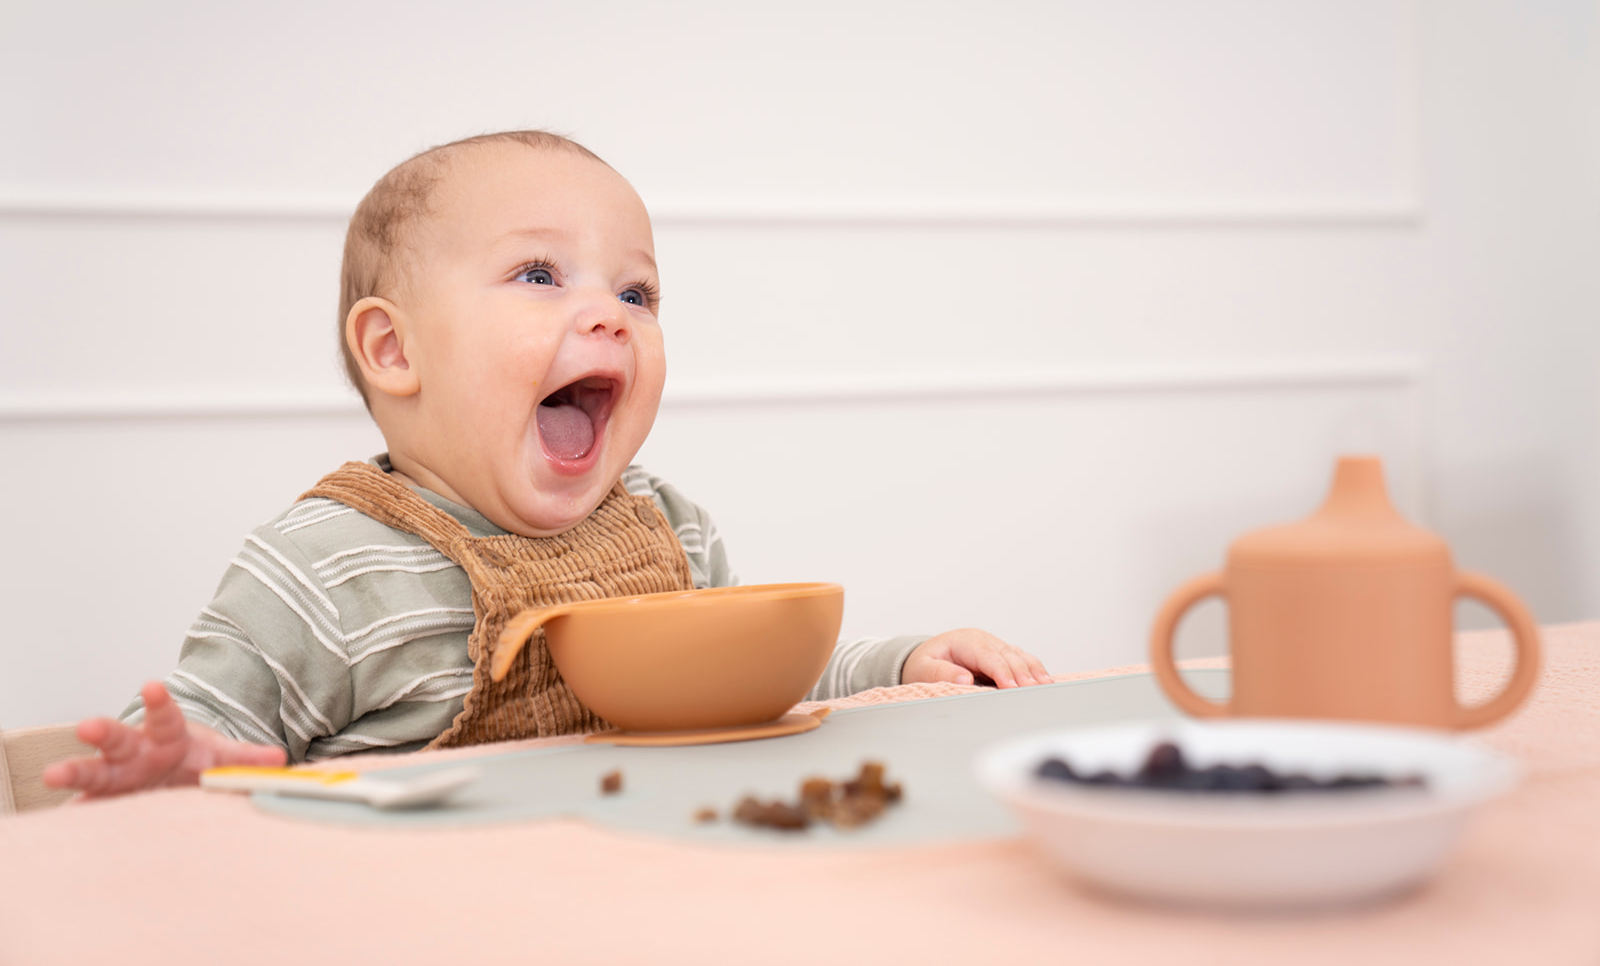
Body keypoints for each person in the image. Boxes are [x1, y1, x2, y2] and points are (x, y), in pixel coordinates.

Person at [43, 131, 1050, 798]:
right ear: (395, 351)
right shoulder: (321, 568)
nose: (610, 311)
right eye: (537, 274)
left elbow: (759, 685)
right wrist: (186, 763)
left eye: (638, 291)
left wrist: (901, 664)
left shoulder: (666, 524)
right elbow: (191, 731)